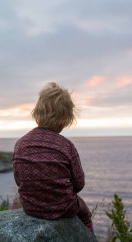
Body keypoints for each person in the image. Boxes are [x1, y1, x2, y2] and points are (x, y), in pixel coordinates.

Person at [12, 82, 93, 232]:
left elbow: (19, 180)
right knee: (86, 215)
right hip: (64, 207)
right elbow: (79, 184)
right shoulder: (66, 145)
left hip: (30, 207)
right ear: (66, 118)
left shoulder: (21, 144)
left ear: (37, 112)